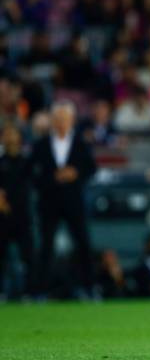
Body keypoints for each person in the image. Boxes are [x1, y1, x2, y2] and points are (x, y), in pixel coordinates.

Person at [29, 101, 97, 298]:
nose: (60, 123)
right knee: (45, 246)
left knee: (83, 243)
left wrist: (75, 173)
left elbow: (91, 168)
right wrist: (52, 177)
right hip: (49, 203)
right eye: (57, 119)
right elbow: (31, 174)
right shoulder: (40, 145)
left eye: (64, 119)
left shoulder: (80, 144)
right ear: (51, 120)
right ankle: (39, 290)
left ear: (72, 121)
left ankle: (89, 287)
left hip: (74, 202)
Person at [0, 124, 35, 298]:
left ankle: (30, 292)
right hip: (2, 215)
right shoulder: (1, 162)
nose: (10, 138)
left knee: (28, 256)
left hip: (23, 215)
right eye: (6, 134)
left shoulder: (27, 162)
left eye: (12, 134)